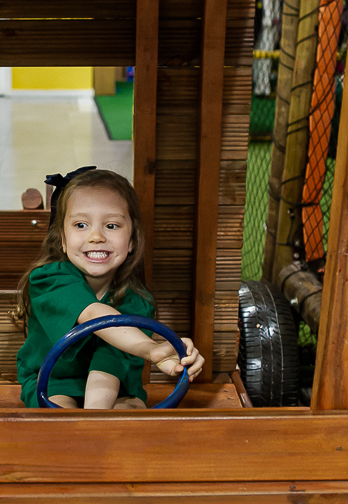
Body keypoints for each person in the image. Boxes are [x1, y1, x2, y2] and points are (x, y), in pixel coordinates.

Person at [12, 168, 205, 408]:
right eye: (81, 225)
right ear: (62, 238)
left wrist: (97, 418)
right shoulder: (50, 280)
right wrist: (152, 350)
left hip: (116, 383)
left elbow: (110, 364)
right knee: (61, 419)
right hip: (52, 380)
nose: (96, 236)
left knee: (130, 414)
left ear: (132, 240)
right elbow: (93, 314)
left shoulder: (137, 301)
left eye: (111, 226)